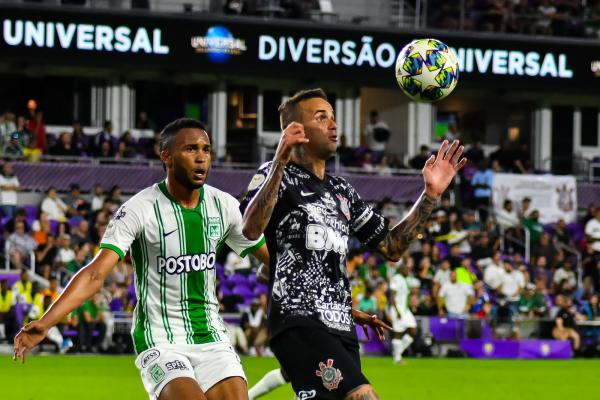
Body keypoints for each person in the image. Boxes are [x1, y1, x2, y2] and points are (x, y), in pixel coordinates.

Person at [14, 118, 269, 400]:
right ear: (167, 157)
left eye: (206, 149)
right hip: (160, 339)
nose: (201, 158)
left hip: (211, 336)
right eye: (190, 149)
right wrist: (47, 321)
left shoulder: (225, 206)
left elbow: (272, 259)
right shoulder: (140, 209)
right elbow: (95, 274)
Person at [240, 88, 466, 400]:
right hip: (299, 320)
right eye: (321, 118)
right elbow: (250, 230)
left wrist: (430, 195)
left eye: (333, 117)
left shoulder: (342, 190)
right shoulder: (276, 175)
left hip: (341, 326)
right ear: (296, 131)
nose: (333, 124)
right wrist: (280, 158)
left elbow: (392, 247)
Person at [389, 263, 417, 364]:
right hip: (398, 309)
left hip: (405, 310)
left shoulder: (405, 279)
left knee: (413, 330)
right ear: (401, 269)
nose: (408, 271)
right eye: (406, 269)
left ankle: (397, 352)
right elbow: (392, 296)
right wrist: (396, 310)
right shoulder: (396, 278)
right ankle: (397, 358)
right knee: (398, 333)